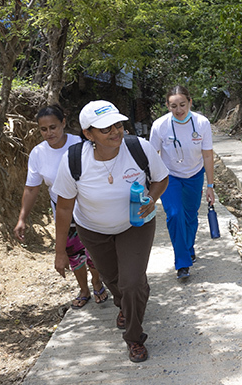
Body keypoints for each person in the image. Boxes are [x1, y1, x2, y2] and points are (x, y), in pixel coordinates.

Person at [52, 100, 169, 363]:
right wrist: (60, 252)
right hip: (93, 230)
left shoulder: (139, 148)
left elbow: (162, 178)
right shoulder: (73, 161)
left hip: (135, 225)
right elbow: (63, 208)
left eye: (118, 124)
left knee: (130, 282)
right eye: (106, 129)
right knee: (113, 279)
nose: (116, 131)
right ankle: (127, 303)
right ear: (88, 134)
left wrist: (151, 197)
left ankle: (134, 337)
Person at [14, 105, 109, 310]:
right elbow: (31, 188)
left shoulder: (82, 145)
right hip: (62, 211)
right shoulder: (38, 154)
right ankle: (84, 289)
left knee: (93, 250)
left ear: (63, 123)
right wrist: (22, 218)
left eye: (53, 127)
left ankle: (97, 282)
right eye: (44, 129)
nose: (49, 133)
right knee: (72, 251)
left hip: (88, 207)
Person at [149, 86, 216, 282]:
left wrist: (210, 186)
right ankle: (182, 263)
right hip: (170, 177)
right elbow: (153, 157)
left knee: (190, 216)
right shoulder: (160, 126)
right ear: (167, 106)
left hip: (195, 175)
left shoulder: (202, 123)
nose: (178, 110)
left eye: (182, 105)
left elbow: (207, 155)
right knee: (175, 214)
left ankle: (188, 248)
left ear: (190, 102)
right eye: (173, 106)